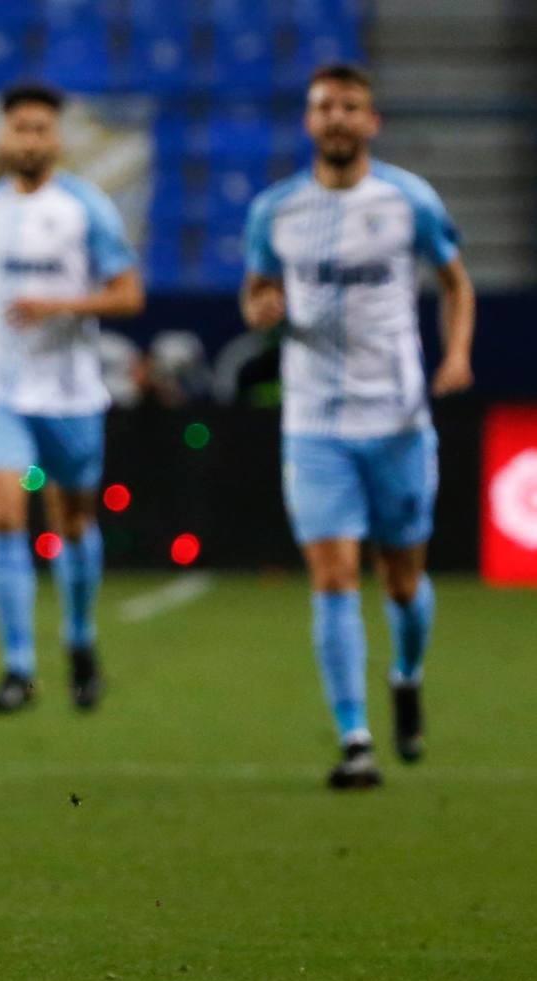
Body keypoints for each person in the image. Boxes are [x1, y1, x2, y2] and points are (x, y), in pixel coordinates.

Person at [241, 63, 475, 789]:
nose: (336, 118)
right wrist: (263, 313)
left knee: (402, 579)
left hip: (398, 417)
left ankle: (406, 675)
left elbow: (456, 281)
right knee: (334, 575)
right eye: (323, 107)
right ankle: (355, 737)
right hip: (314, 423)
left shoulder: (408, 200)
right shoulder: (275, 210)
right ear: (309, 122)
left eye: (349, 107)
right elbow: (256, 292)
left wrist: (457, 355)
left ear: (370, 122)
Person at [0, 84, 144, 715]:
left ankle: (81, 643)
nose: (29, 139)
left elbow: (128, 294)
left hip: (70, 389)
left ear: (56, 139)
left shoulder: (89, 208)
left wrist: (60, 305)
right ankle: (18, 668)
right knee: (3, 514)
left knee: (74, 520)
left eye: (40, 129)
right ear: (4, 138)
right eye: (19, 129)